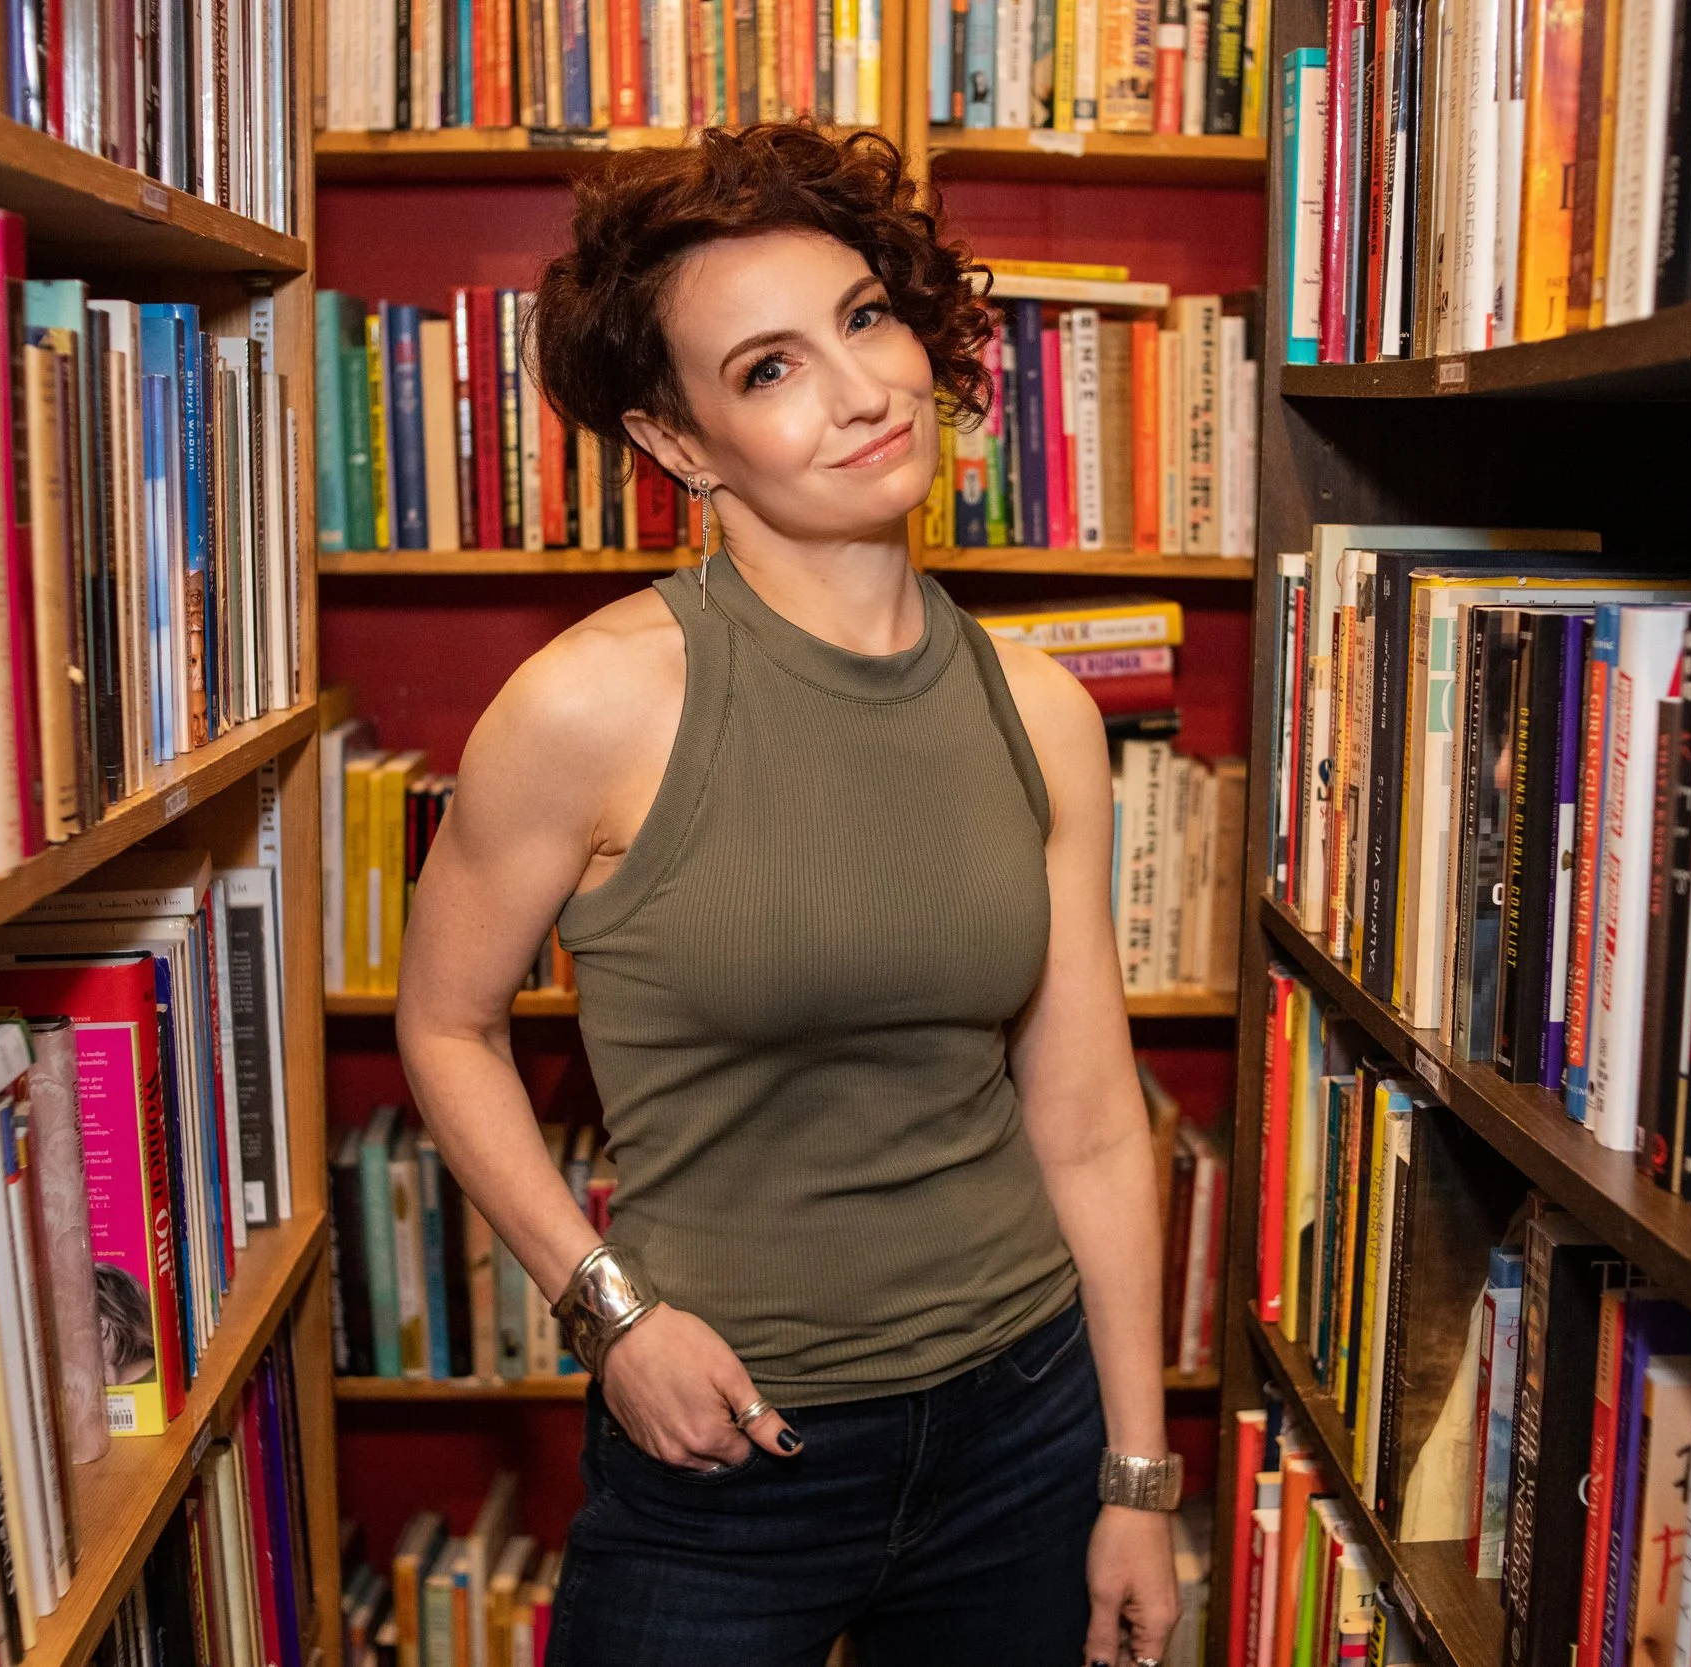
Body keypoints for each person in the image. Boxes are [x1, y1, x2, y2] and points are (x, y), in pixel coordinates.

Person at [394, 121, 1182, 1667]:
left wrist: (1134, 1477)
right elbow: (445, 1027)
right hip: (724, 1446)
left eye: (863, 318)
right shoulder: (586, 707)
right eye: (767, 368)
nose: (859, 387)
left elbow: (1087, 1119)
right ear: (679, 443)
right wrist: (609, 1309)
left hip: (1026, 1426)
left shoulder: (1043, 714)